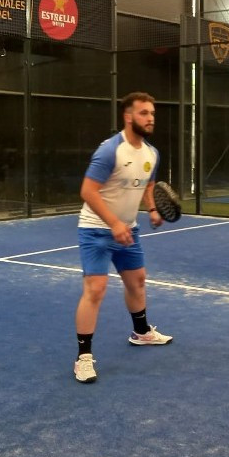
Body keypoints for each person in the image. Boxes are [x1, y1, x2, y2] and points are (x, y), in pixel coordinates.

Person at [73, 92, 172, 384]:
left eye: (152, 113)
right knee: (96, 289)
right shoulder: (110, 151)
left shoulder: (151, 153)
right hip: (96, 230)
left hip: (128, 229)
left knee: (137, 280)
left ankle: (141, 333)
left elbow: (148, 184)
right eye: (144, 113)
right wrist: (114, 223)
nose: (150, 118)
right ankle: (83, 358)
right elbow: (87, 191)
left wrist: (152, 209)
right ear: (128, 117)